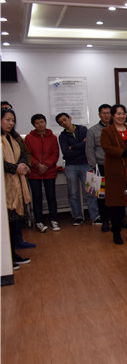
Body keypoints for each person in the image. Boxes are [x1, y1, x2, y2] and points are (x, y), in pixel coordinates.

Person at [100, 104, 127, 244]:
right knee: (116, 205)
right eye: (118, 113)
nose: (121, 116)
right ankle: (116, 232)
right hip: (115, 172)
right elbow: (107, 148)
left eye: (123, 113)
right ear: (113, 115)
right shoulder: (107, 131)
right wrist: (125, 153)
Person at [3, 108, 34, 267]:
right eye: (7, 120)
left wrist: (22, 165)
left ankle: (12, 254)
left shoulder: (12, 138)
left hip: (16, 183)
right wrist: (16, 168)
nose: (11, 123)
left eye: (13, 120)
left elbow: (22, 154)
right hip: (4, 186)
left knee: (14, 221)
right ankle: (7, 258)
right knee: (5, 224)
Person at [57, 112, 100, 226]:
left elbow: (88, 145)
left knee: (90, 191)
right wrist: (81, 146)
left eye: (65, 119)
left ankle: (95, 217)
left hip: (86, 163)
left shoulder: (83, 129)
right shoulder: (62, 136)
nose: (64, 123)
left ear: (70, 118)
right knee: (73, 193)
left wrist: (73, 147)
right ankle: (78, 217)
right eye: (61, 122)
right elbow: (66, 153)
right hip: (71, 166)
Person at [25, 113, 60, 232]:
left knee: (51, 196)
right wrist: (38, 165)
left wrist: (46, 165)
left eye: (42, 122)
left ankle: (54, 220)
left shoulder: (53, 137)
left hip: (50, 171)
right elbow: (28, 154)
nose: (40, 125)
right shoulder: (29, 138)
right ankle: (39, 221)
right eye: (37, 123)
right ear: (33, 125)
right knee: (37, 197)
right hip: (34, 173)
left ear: (45, 122)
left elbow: (55, 153)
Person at [86, 104, 112, 231]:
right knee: (102, 196)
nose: (106, 115)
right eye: (104, 113)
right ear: (99, 115)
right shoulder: (93, 131)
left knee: (116, 195)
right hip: (101, 167)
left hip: (116, 167)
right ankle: (105, 221)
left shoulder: (116, 128)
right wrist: (94, 167)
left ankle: (119, 220)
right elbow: (89, 149)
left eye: (108, 113)